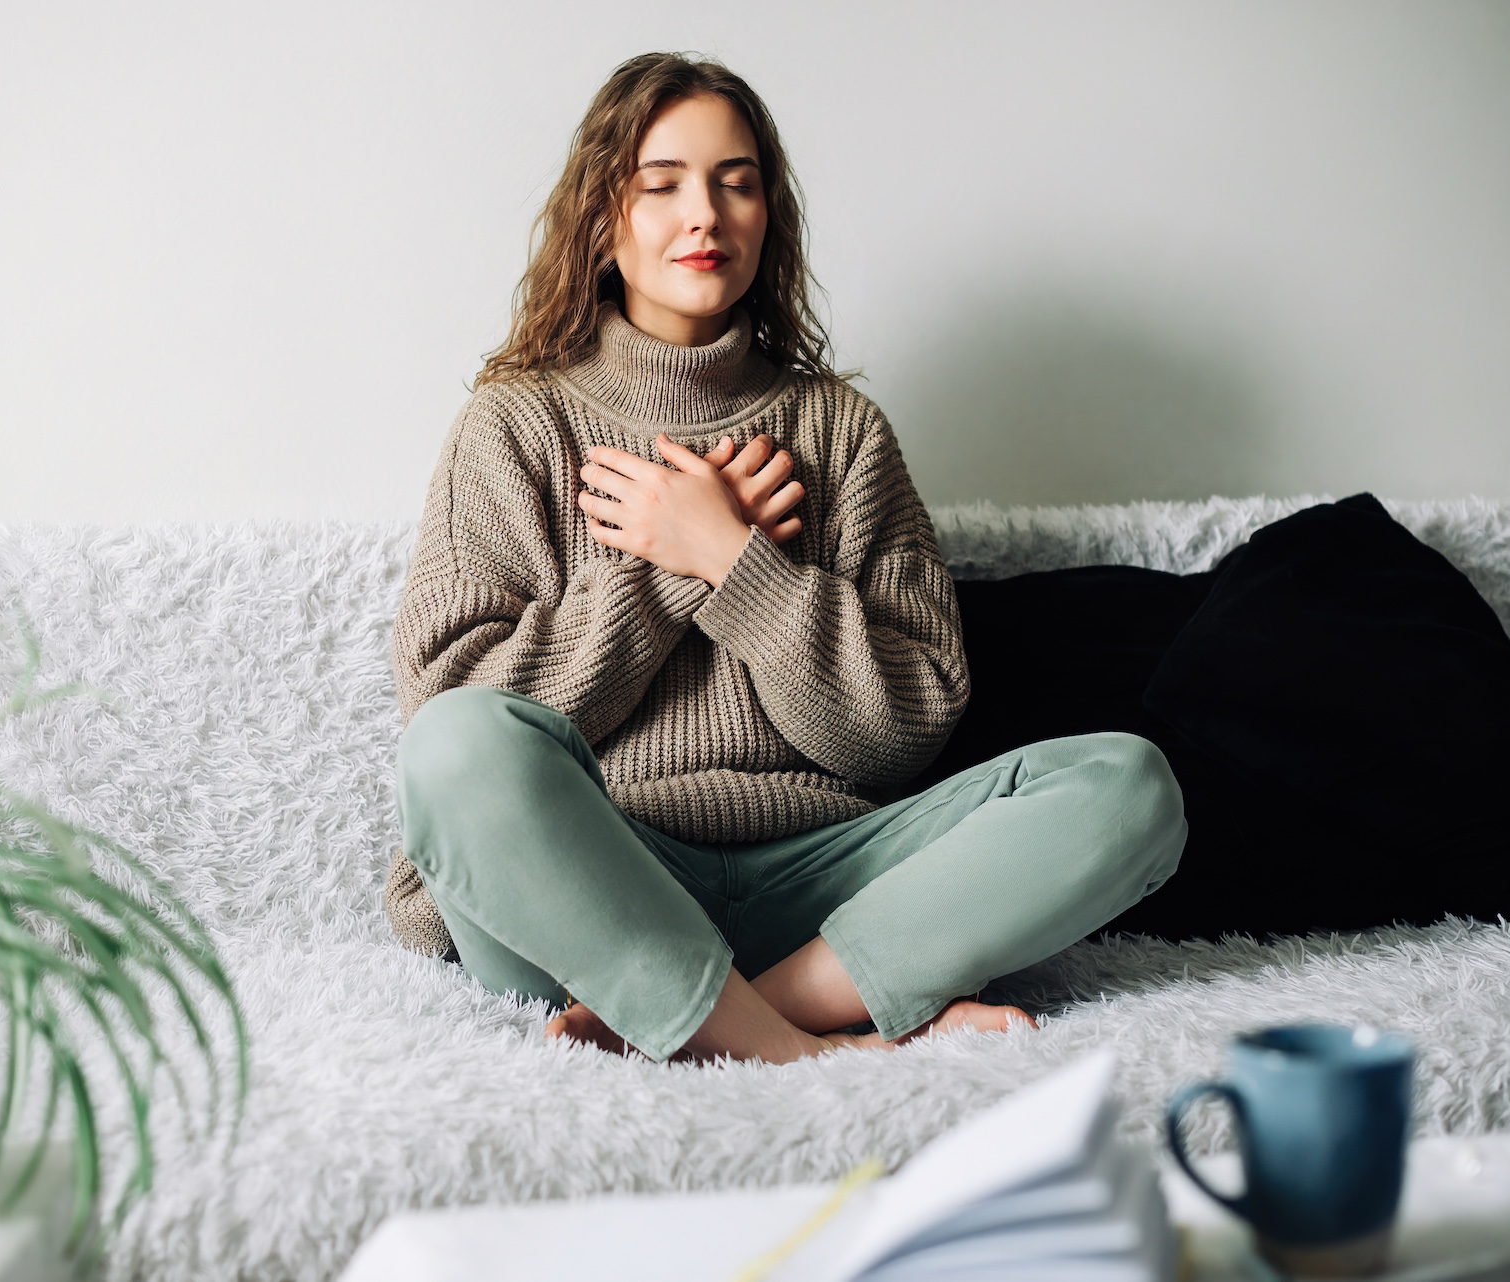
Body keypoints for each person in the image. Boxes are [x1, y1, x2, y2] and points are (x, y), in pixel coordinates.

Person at [386, 52, 1187, 1065]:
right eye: (661, 181)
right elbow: (458, 708)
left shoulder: (841, 432)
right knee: (451, 745)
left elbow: (900, 733)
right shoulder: (514, 425)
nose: (706, 214)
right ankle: (807, 1044)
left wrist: (738, 562)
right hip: (600, 892)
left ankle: (733, 1018)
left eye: (737, 180)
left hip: (835, 890)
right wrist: (663, 570)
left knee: (1131, 787)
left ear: (771, 214)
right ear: (602, 216)